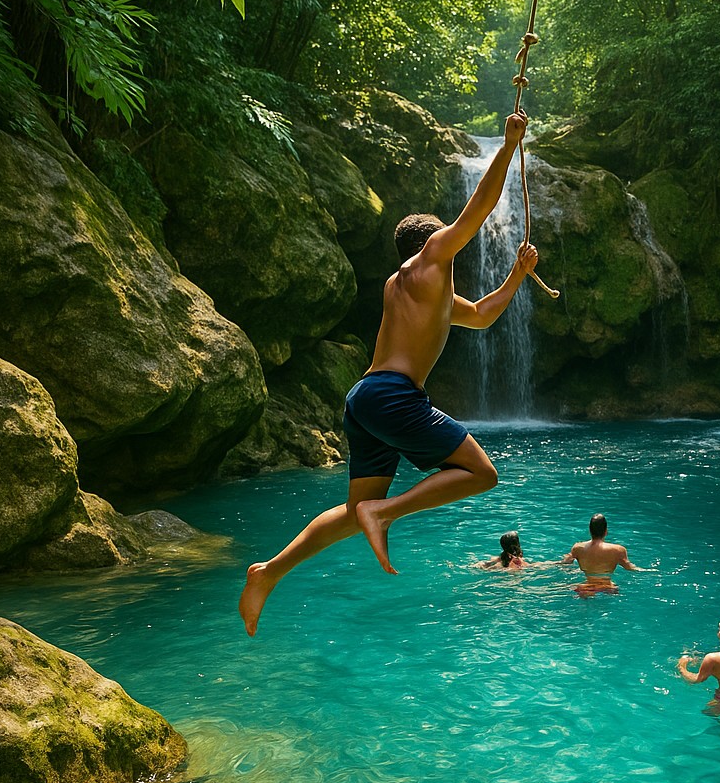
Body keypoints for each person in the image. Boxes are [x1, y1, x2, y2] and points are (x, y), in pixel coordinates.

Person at [238, 112, 537, 636]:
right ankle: (388, 512)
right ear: (431, 246)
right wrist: (509, 146)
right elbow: (477, 213)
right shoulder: (427, 264)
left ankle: (268, 572)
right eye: (444, 242)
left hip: (365, 401)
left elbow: (485, 315)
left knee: (353, 512)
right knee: (482, 474)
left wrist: (515, 275)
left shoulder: (418, 291)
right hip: (395, 396)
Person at [559, 513, 646, 596]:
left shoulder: (578, 548)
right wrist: (645, 570)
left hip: (586, 588)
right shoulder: (618, 550)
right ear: (606, 531)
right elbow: (629, 568)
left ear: (590, 531)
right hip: (608, 588)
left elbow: (565, 563)